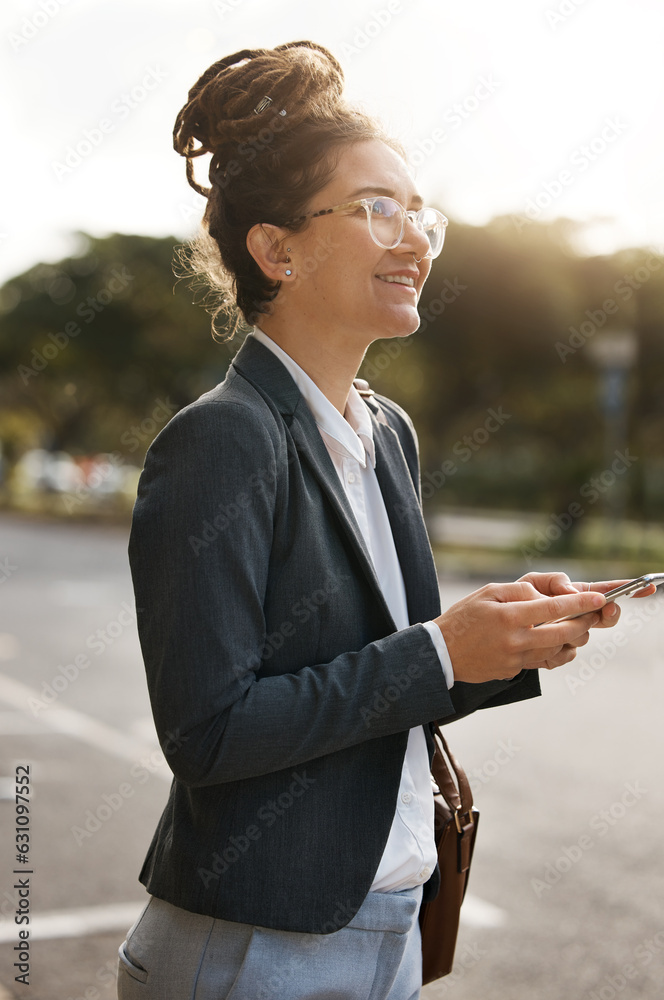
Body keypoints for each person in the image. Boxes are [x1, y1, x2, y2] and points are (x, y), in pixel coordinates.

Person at [116, 41, 646, 1000]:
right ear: (274, 248)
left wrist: (505, 639)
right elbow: (209, 733)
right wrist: (444, 652)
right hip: (253, 944)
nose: (418, 240)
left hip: (392, 926)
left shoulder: (384, 431)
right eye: (378, 210)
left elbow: (390, 669)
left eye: (420, 211)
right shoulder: (223, 441)